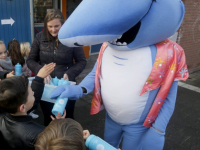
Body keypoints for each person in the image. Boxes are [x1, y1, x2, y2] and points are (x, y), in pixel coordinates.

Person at [27, 9, 87, 126]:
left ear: (63, 24)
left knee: (67, 118)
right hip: (46, 87)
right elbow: (30, 60)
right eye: (50, 26)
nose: (53, 30)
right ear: (46, 25)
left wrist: (69, 73)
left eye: (56, 26)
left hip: (66, 86)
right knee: (49, 119)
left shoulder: (71, 38)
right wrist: (41, 71)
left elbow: (82, 61)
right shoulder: (39, 38)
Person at [0, 63, 59, 149]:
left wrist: (39, 79)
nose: (33, 93)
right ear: (22, 107)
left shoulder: (3, 117)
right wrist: (59, 125)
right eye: (31, 92)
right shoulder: (40, 134)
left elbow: (30, 103)